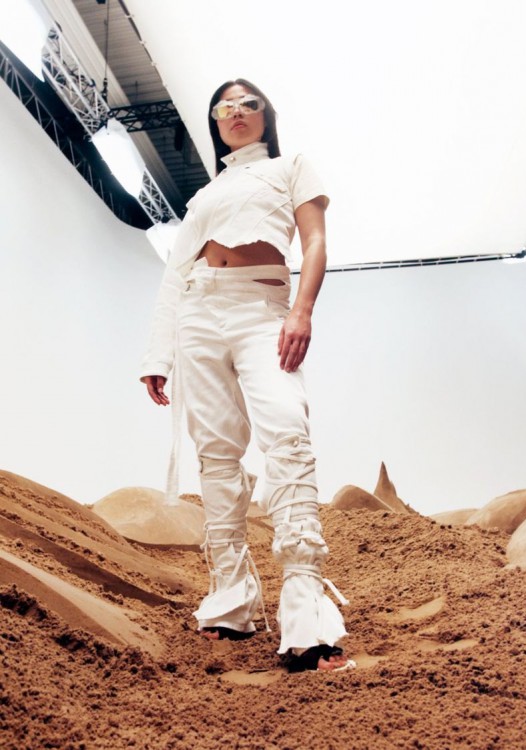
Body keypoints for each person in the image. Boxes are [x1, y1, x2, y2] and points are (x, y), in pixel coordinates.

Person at [140, 78, 353, 672]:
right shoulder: (205, 195)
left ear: (266, 114)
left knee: (287, 431)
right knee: (215, 452)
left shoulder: (291, 168)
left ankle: (305, 613)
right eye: (224, 107)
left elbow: (315, 242)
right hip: (198, 314)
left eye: (248, 104)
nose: (236, 112)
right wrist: (157, 356)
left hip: (263, 307)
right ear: (214, 122)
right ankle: (231, 602)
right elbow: (175, 273)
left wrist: (302, 311)